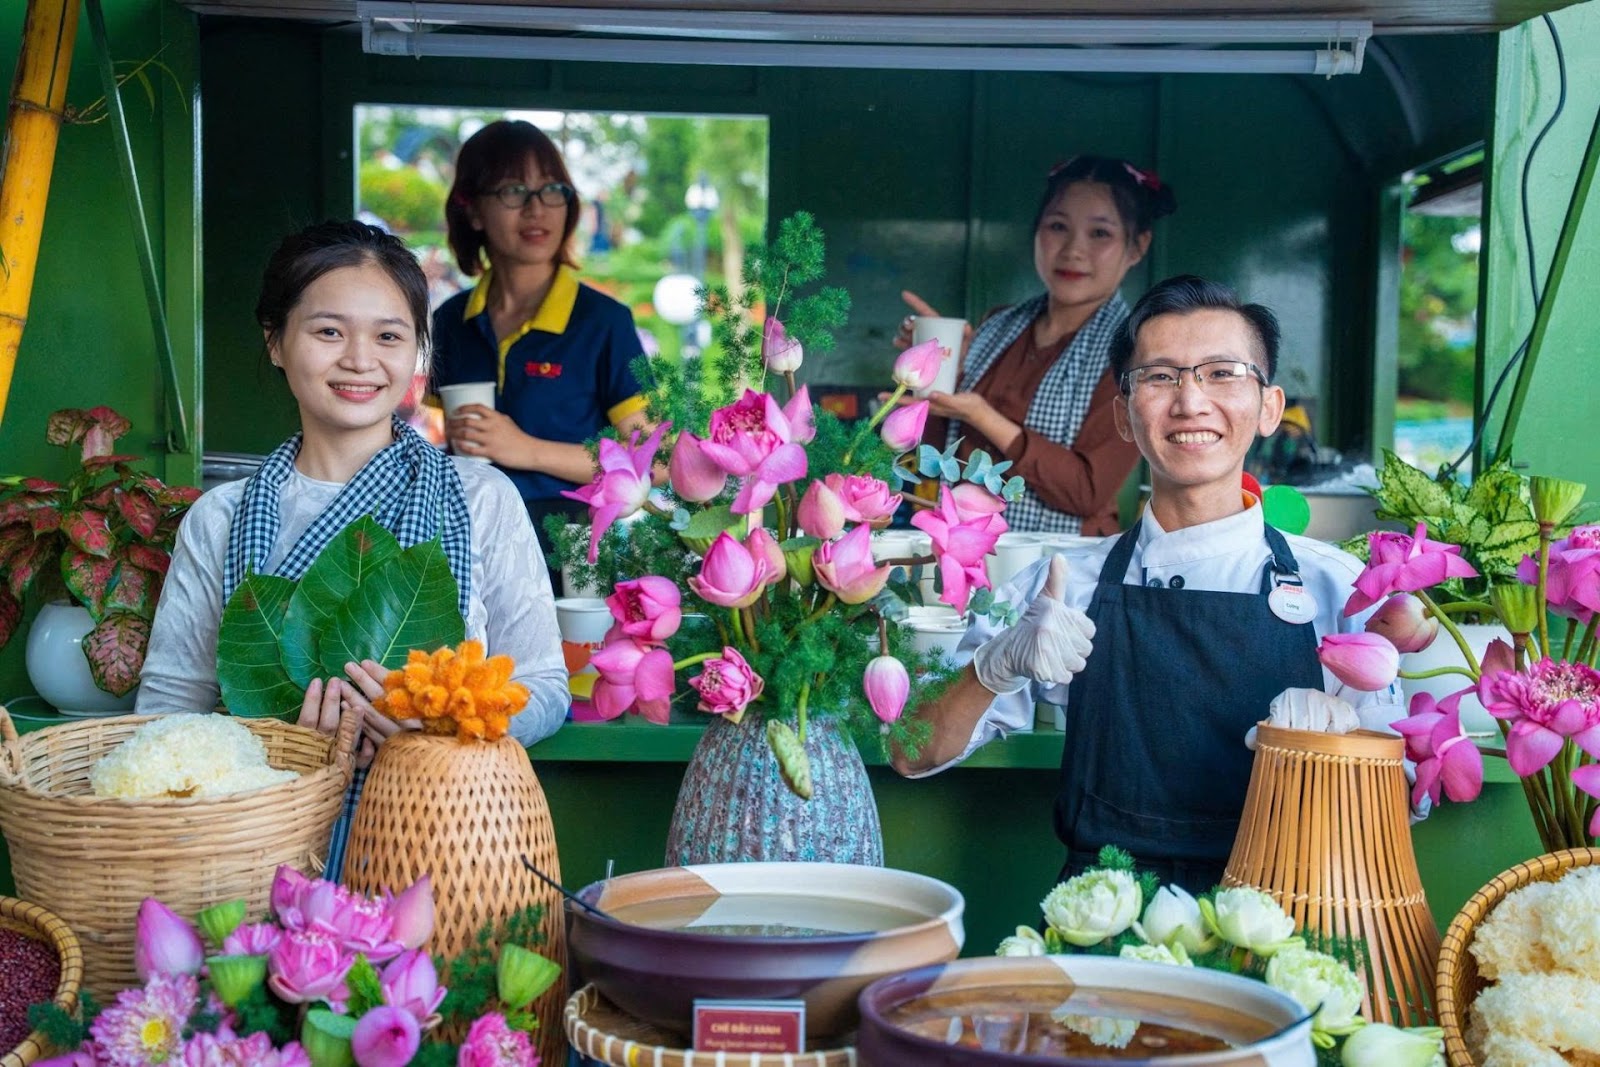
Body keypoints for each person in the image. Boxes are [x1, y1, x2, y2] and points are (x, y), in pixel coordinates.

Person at [894, 275, 1404, 894]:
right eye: (1160, 377)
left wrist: (1346, 746)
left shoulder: (1340, 589)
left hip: (1284, 925)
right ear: (1125, 417)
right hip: (1101, 927)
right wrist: (993, 667)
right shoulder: (1063, 583)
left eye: (1222, 373)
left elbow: (1400, 807)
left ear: (1269, 407)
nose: (1190, 402)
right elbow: (911, 750)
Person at [138, 220, 569, 869]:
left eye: (390, 336)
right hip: (256, 856)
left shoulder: (481, 499)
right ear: (276, 342)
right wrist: (273, 746)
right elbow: (166, 719)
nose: (361, 360)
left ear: (415, 352)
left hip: (447, 848)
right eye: (328, 331)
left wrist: (441, 728)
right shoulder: (220, 519)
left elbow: (543, 684)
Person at [896, 155, 1178, 536]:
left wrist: (983, 416)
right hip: (963, 549)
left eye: (1100, 234)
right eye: (1058, 226)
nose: (1073, 250)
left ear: (1137, 247)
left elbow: (1086, 492)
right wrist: (935, 376)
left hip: (1066, 569)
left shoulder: (1135, 351)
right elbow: (939, 450)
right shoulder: (999, 327)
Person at [431, 120, 652, 569]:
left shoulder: (605, 322)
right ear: (472, 210)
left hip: (570, 551)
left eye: (552, 189)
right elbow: (443, 441)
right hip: (464, 543)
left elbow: (651, 460)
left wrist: (524, 448)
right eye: (513, 191)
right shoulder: (450, 321)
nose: (537, 209)